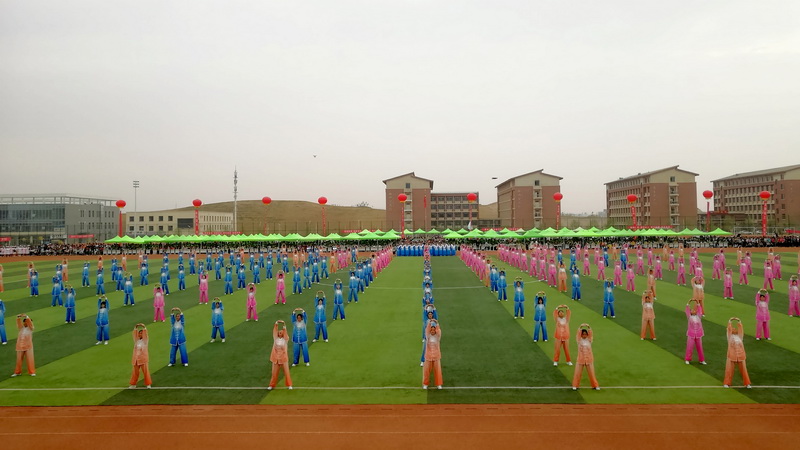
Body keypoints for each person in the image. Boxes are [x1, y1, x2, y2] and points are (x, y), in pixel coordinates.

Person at [724, 318, 751, 388]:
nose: (734, 329)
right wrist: (730, 322)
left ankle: (747, 383)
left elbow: (741, 330)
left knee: (744, 370)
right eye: (733, 329)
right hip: (731, 355)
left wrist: (739, 322)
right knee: (729, 370)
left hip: (741, 355)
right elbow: (729, 330)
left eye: (735, 329)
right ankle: (727, 383)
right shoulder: (729, 337)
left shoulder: (740, 337)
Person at [572, 324, 599, 390]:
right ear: (581, 335)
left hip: (589, 359)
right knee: (577, 373)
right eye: (583, 334)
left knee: (592, 373)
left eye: (585, 334)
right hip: (580, 360)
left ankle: (595, 385)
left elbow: (591, 334)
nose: (584, 335)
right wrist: (580, 327)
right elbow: (577, 335)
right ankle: (575, 385)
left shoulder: (589, 340)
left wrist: (588, 327)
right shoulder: (579, 341)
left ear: (587, 335)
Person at [268, 320, 292, 390]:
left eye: (281, 332)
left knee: (286, 372)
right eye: (279, 332)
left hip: (283, 358)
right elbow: (274, 331)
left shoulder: (285, 340)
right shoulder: (275, 339)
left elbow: (286, 333)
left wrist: (284, 325)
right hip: (276, 358)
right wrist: (276, 323)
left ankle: (289, 385)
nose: (279, 333)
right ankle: (271, 385)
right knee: (274, 373)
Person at [129, 323, 152, 389]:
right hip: (136, 359)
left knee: (146, 372)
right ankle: (133, 384)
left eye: (141, 333)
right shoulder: (136, 341)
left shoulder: (145, 341)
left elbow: (146, 335)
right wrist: (136, 327)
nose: (140, 334)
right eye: (139, 333)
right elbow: (134, 335)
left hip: (143, 359)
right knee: (135, 372)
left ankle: (148, 384)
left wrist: (144, 327)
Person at [422, 319, 443, 389]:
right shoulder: (428, 337)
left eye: (434, 330)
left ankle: (438, 384)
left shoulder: (437, 337)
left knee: (438, 371)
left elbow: (439, 331)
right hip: (428, 356)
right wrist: (430, 323)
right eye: (431, 330)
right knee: (426, 371)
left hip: (436, 356)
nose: (433, 331)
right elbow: (427, 330)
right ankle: (425, 384)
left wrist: (437, 324)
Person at [685, 300, 706, 365]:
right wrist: (689, 302)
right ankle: (687, 359)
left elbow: (700, 310)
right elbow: (687, 311)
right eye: (692, 310)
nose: (694, 311)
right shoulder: (689, 317)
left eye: (694, 310)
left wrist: (697, 303)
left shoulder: (698, 316)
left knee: (700, 348)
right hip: (691, 334)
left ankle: (702, 360)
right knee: (689, 347)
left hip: (698, 334)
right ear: (690, 312)